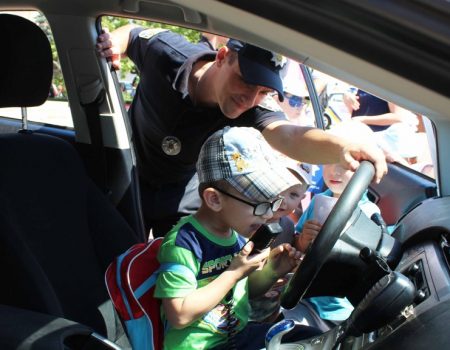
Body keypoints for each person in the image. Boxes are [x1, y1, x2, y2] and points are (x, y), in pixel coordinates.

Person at [96, 25, 387, 238]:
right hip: (131, 174)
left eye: (263, 91)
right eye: (246, 82)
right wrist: (114, 45)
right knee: (118, 257)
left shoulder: (250, 110)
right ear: (222, 57)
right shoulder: (168, 55)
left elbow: (290, 135)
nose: (249, 99)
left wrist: (342, 148)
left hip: (183, 191)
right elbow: (133, 34)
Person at [154, 126, 321, 350]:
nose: (270, 214)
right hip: (200, 346)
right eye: (260, 205)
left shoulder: (237, 234)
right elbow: (180, 315)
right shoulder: (184, 243)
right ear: (214, 199)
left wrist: (272, 271)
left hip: (236, 336)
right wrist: (233, 273)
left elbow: (245, 291)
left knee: (307, 337)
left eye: (272, 203)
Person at [284, 121, 382, 332]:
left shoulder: (369, 213)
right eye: (329, 162)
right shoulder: (319, 199)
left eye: (345, 166)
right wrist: (302, 241)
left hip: (338, 310)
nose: (334, 172)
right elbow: (297, 242)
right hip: (303, 293)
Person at [249, 159, 311, 323]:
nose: (283, 199)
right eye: (279, 188)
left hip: (267, 310)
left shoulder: (288, 226)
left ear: (301, 199)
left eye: (293, 195)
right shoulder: (247, 221)